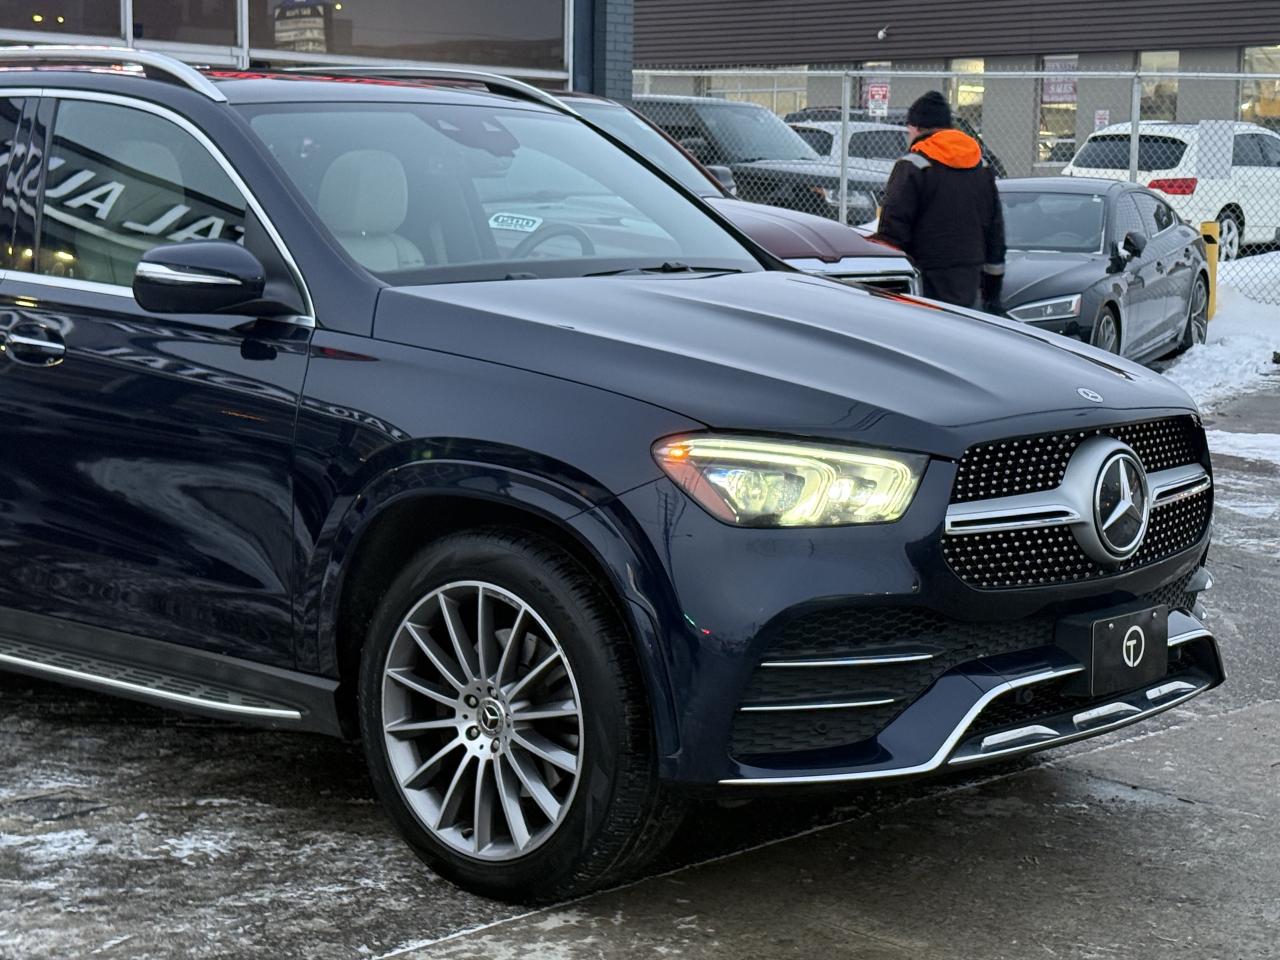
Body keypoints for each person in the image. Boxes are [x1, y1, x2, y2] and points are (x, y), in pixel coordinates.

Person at [871, 91, 1005, 312]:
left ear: (916, 127)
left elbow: (892, 230)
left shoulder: (913, 166)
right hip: (970, 277)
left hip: (924, 279)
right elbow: (995, 233)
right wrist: (993, 293)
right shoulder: (980, 168)